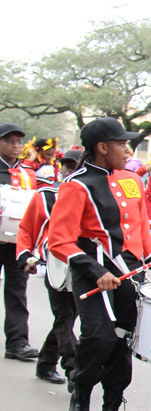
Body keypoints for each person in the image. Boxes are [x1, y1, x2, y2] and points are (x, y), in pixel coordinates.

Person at [48, 117, 151, 411]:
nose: (127, 150)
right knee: (98, 336)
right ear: (102, 148)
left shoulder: (131, 180)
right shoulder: (76, 185)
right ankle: (80, 396)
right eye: (121, 144)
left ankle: (112, 409)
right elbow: (59, 240)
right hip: (93, 273)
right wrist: (96, 271)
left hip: (130, 272)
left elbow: (141, 229)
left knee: (123, 339)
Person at [15, 148, 81, 384]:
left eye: (76, 167)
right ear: (60, 169)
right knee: (64, 316)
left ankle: (45, 364)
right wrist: (25, 256)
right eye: (67, 166)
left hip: (83, 265)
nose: (70, 171)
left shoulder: (92, 195)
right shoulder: (46, 195)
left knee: (67, 319)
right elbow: (27, 228)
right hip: (55, 265)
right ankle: (73, 368)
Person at [0, 122, 39, 361]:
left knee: (17, 292)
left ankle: (17, 342)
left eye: (19, 142)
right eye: (9, 141)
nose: (16, 146)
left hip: (17, 242)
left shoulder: (27, 173)